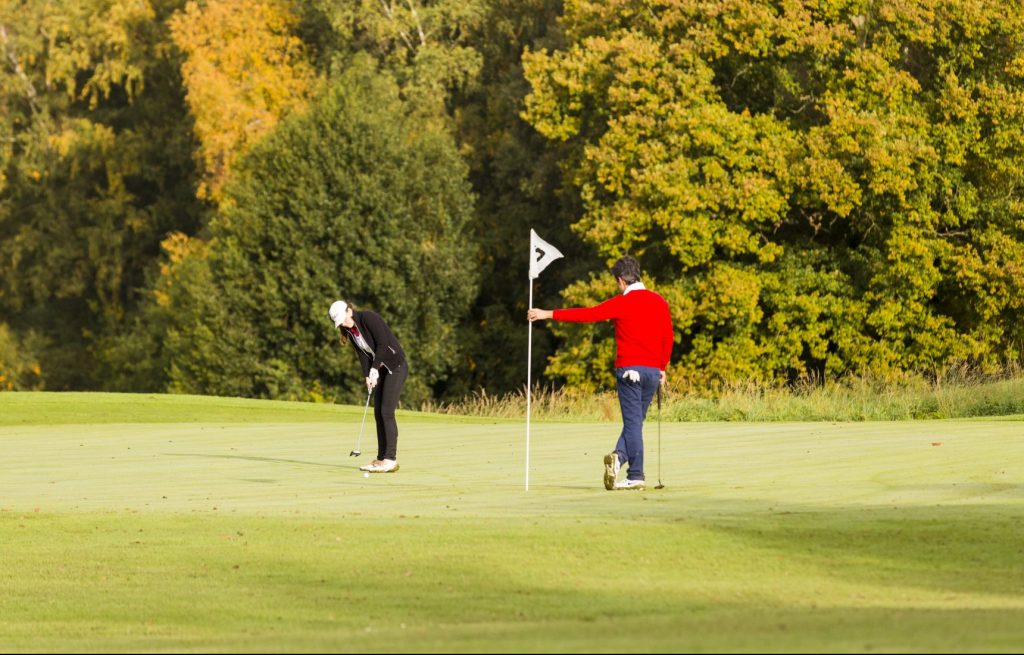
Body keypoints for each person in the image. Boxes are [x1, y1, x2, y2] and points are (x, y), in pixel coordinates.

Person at [528, 255, 672, 490]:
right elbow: (668, 337)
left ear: (620, 280)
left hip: (629, 371)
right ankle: (619, 461)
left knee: (633, 424)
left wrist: (548, 314)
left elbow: (588, 314)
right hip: (652, 372)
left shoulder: (622, 302)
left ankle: (635, 474)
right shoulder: (659, 301)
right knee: (636, 423)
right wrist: (662, 367)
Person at [329, 299, 408, 473]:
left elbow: (382, 344)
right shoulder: (351, 331)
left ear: (350, 310)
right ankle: (381, 459)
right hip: (379, 370)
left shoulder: (368, 318)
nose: (343, 324)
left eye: (344, 319)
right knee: (378, 412)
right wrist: (367, 375)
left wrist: (374, 368)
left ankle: (391, 459)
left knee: (386, 412)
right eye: (340, 322)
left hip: (396, 366)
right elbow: (363, 355)